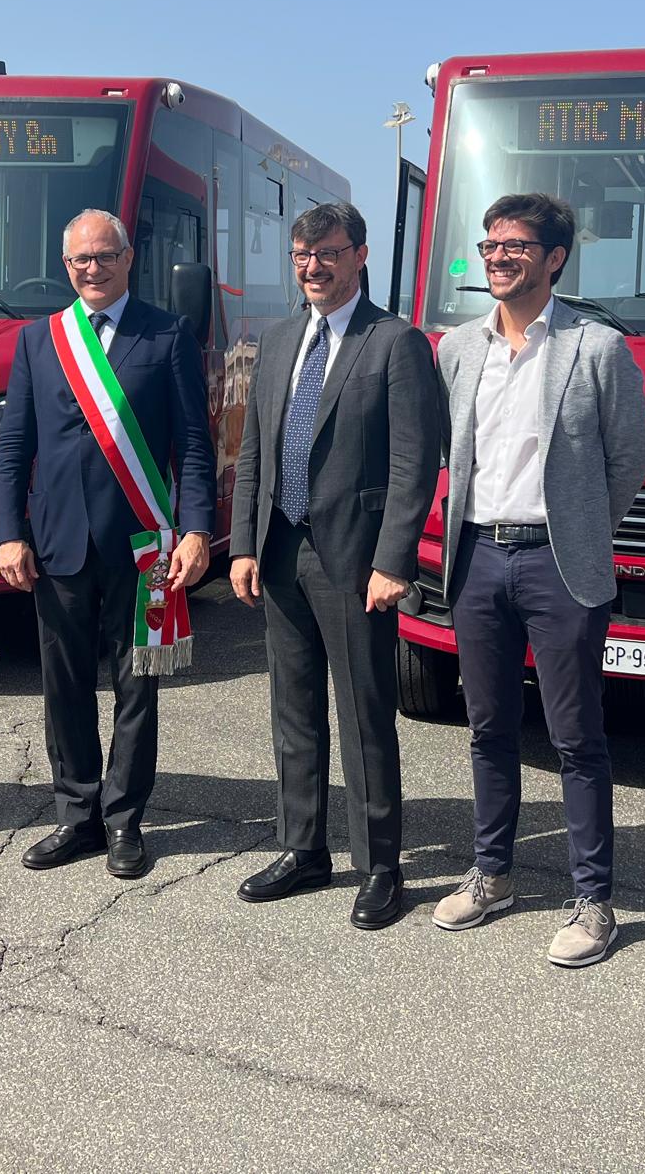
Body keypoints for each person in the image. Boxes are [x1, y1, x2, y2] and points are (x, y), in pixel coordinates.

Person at [430, 193, 645, 965]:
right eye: (490, 244)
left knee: (575, 736)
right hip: (478, 559)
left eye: (516, 245)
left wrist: (582, 531)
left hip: (559, 564)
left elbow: (629, 464)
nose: (497, 256)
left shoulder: (597, 350)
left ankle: (593, 901)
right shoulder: (458, 349)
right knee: (488, 728)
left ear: (555, 258)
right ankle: (492, 873)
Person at [229, 202, 439, 930]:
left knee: (365, 716)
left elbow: (416, 461)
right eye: (300, 256)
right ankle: (302, 847)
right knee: (292, 711)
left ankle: (381, 865)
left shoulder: (395, 342)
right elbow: (255, 446)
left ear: (359, 255)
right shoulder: (282, 338)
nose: (312, 268)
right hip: (282, 547)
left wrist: (394, 559)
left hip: (354, 562)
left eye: (326, 254)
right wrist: (244, 543)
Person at [0, 209, 215, 880]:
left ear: (128, 258)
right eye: (79, 260)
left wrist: (198, 526)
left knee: (136, 686)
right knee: (63, 687)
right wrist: (8, 534)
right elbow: (13, 447)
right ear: (67, 267)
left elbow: (194, 444)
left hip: (142, 545)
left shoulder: (168, 332)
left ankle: (124, 820)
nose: (91, 268)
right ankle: (76, 813)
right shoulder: (40, 339)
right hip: (57, 542)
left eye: (103, 256)